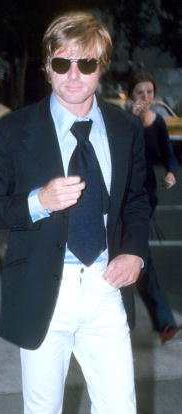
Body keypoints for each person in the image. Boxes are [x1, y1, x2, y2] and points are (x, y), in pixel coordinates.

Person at [0, 11, 151, 414]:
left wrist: (134, 254)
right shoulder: (11, 132)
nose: (73, 74)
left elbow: (137, 200)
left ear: (101, 67)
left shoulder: (125, 130)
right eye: (61, 63)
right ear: (47, 67)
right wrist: (38, 202)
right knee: (43, 409)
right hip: (44, 290)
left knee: (120, 407)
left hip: (106, 287)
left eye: (85, 63)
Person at [128, 69, 180, 344]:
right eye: (140, 92)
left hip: (144, 199)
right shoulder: (124, 122)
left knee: (140, 256)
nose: (146, 98)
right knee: (134, 257)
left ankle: (164, 322)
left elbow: (169, 156)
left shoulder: (158, 122)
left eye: (149, 92)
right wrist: (132, 120)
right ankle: (161, 322)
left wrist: (171, 173)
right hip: (121, 198)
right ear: (131, 95)